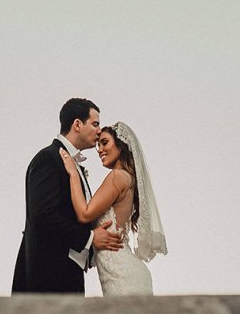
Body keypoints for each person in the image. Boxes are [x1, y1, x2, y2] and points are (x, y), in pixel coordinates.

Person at [11, 98, 125, 294]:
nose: (99, 131)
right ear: (77, 124)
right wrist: (89, 238)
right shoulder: (48, 158)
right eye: (95, 124)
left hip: (68, 274)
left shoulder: (71, 164)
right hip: (47, 279)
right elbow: (43, 216)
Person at [59, 121, 166, 296]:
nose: (99, 149)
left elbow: (85, 214)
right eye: (98, 145)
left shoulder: (117, 176)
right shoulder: (127, 178)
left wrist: (73, 174)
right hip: (126, 272)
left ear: (121, 145)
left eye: (105, 142)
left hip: (122, 274)